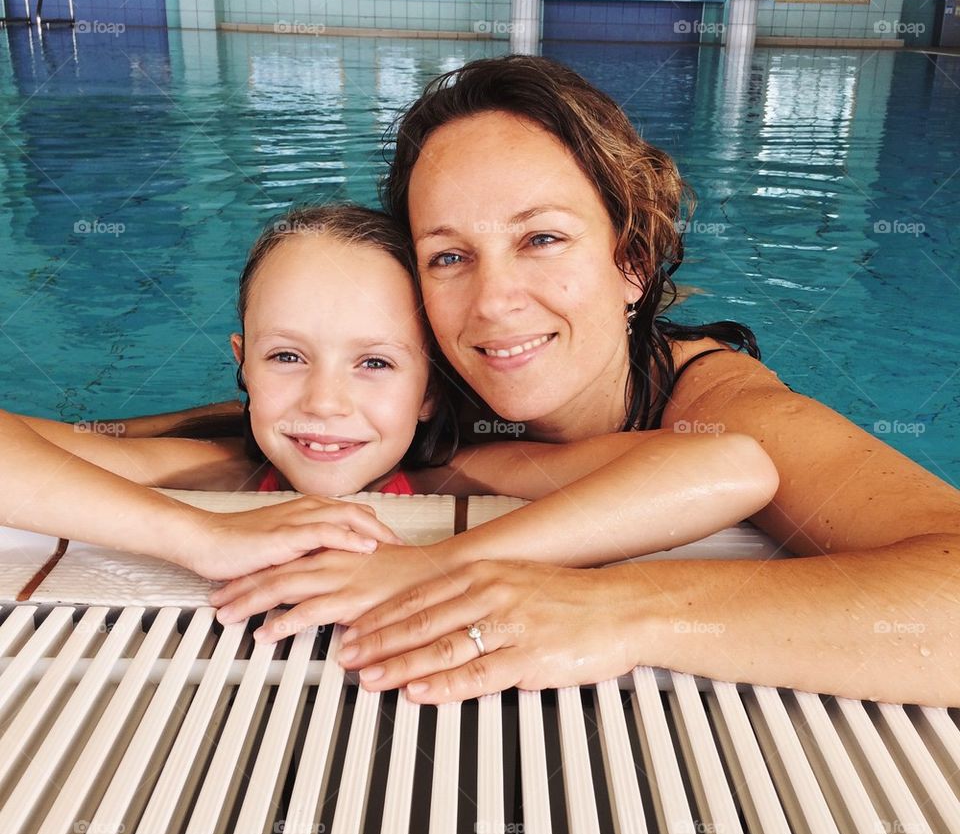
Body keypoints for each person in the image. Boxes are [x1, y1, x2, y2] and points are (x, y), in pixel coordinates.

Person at [213, 56, 960, 708]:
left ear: (631, 260)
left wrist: (621, 608)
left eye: (541, 239)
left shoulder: (718, 408)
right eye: (448, 256)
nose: (493, 302)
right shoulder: (409, 391)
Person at [0, 203, 778, 589]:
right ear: (241, 364)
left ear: (433, 391)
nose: (325, 403)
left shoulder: (460, 473)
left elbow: (731, 465)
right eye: (286, 356)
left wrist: (438, 564)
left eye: (374, 364)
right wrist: (197, 538)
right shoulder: (218, 471)